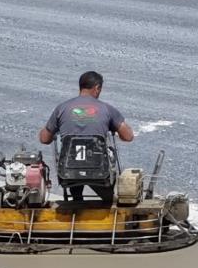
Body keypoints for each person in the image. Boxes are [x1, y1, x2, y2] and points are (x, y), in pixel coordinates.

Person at [39, 71, 135, 204]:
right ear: (97, 88)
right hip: (99, 170)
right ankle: (108, 200)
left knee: (73, 159)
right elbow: (128, 136)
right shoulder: (107, 109)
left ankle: (76, 198)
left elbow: (44, 139)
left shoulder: (61, 108)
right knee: (98, 159)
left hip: (69, 172)